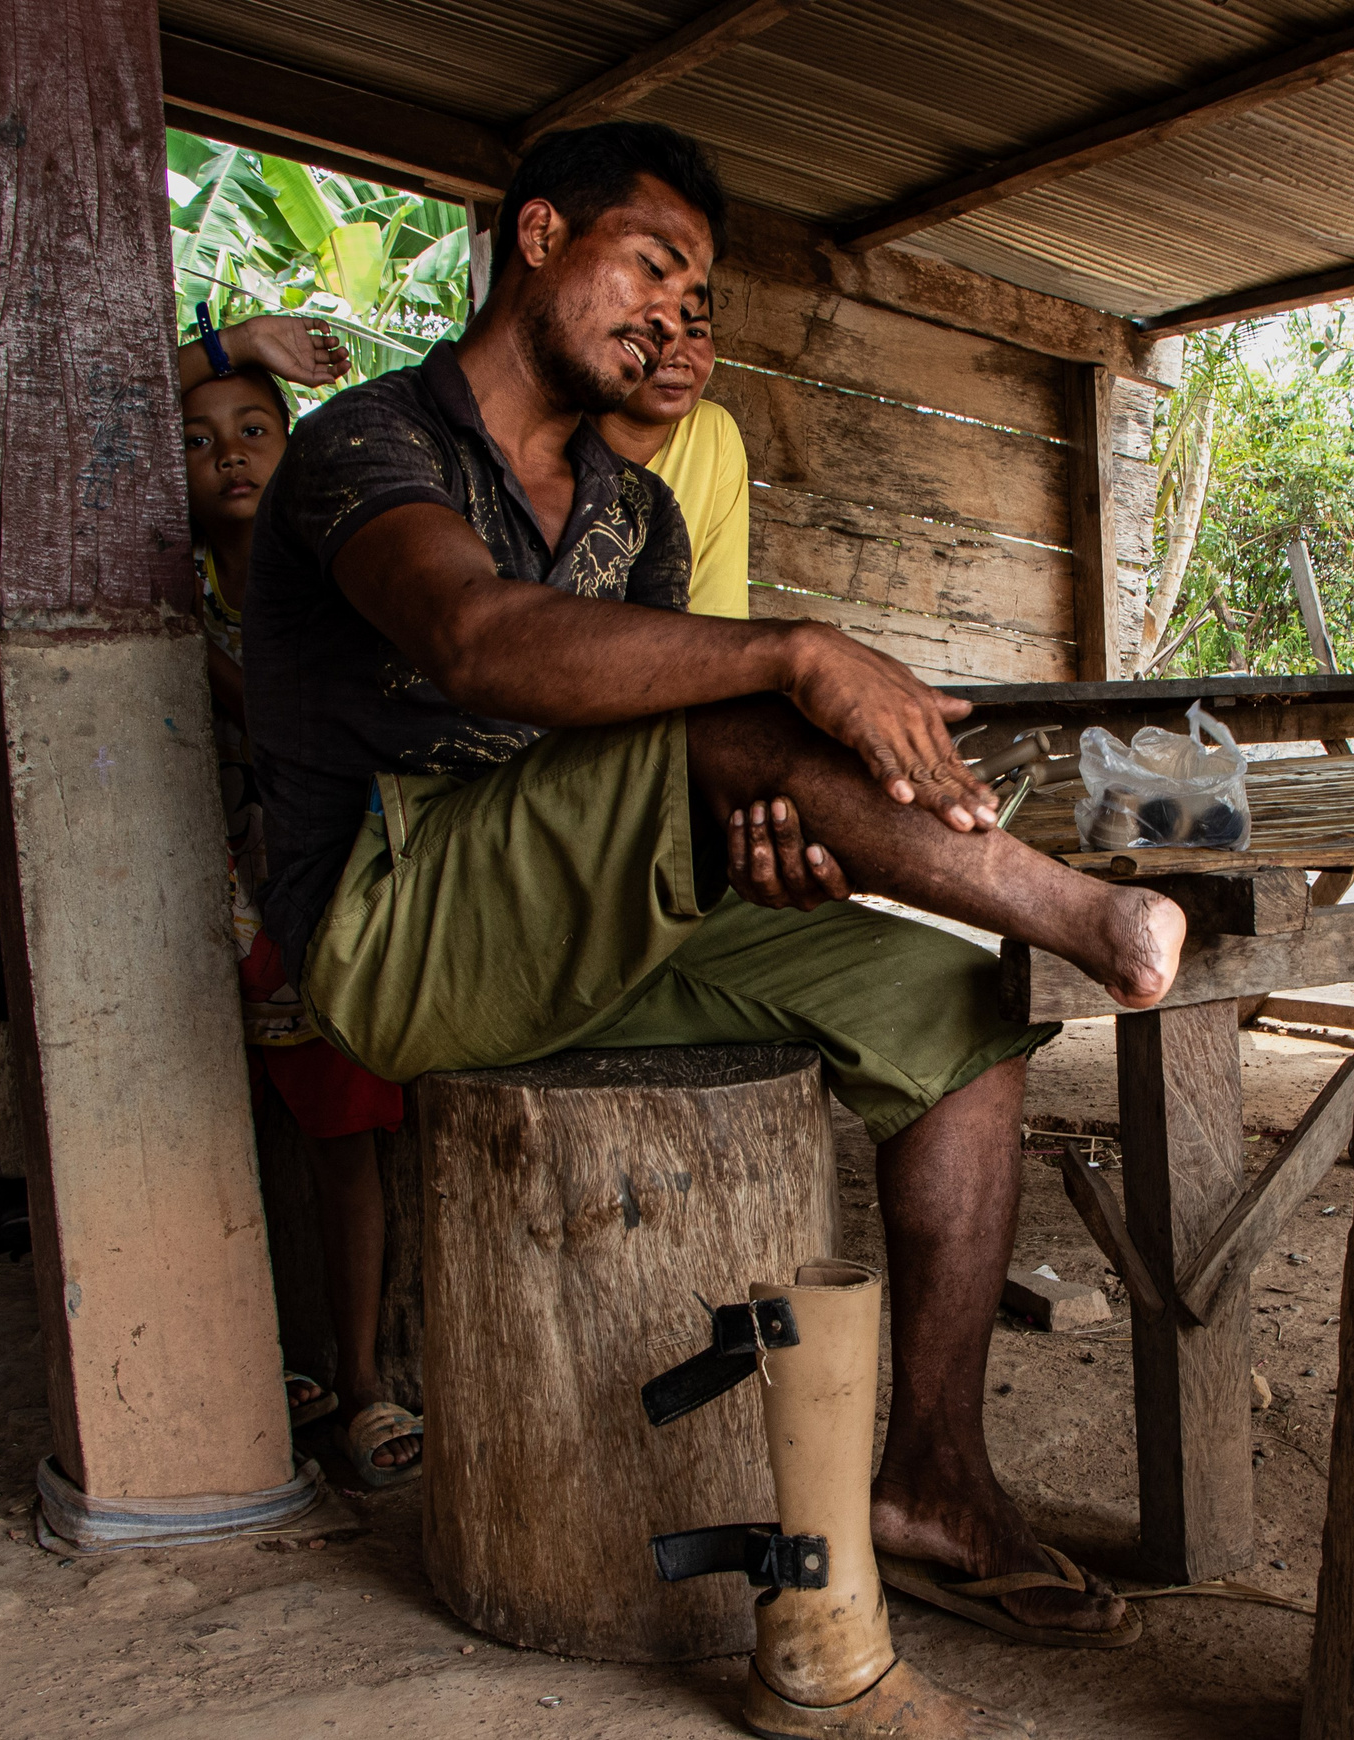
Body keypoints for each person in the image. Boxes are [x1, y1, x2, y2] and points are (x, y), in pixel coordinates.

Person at [241, 119, 1184, 1699]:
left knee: (955, 1018)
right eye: (651, 267)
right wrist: (797, 654)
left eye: (697, 299)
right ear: (540, 236)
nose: (672, 315)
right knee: (755, 691)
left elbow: (677, 750)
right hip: (396, 922)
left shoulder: (639, 515)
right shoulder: (371, 444)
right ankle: (1088, 916)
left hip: (574, 925)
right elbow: (476, 641)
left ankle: (932, 1480)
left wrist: (768, 833)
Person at [181, 318, 430, 1489]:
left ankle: (366, 1378)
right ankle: (257, 1366)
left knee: (341, 1139)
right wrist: (231, 341)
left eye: (255, 431)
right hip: (196, 904)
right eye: (197, 440)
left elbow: (283, 710)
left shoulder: (335, 579)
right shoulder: (160, 582)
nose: (230, 454)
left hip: (311, 895)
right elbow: (100, 416)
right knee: (204, 1137)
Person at [599, 292, 750, 620]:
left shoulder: (712, 435)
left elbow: (713, 625)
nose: (678, 357)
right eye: (655, 329)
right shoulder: (554, 432)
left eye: (695, 332)